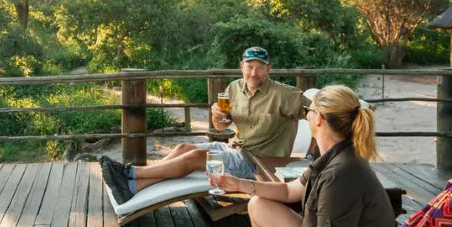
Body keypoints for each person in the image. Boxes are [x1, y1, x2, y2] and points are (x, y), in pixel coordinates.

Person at [105, 85, 397, 227]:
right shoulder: (335, 157)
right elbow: (289, 191)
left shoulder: (341, 176)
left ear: (318, 118)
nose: (307, 115)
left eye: (309, 111)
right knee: (259, 204)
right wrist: (241, 185)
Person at [101, 46, 307, 205]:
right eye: (250, 67)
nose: (254, 73)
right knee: (183, 148)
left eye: (260, 68)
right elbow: (221, 127)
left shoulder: (286, 95)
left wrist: (313, 153)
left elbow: (318, 113)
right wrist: (217, 116)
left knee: (198, 157)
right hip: (235, 149)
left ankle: (130, 172)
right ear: (242, 67)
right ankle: (134, 187)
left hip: (257, 163)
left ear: (268, 69)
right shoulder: (234, 88)